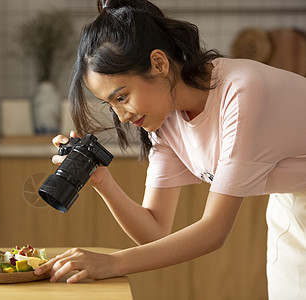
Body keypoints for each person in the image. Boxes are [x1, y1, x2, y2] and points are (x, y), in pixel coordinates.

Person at [33, 0, 306, 298]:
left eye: (122, 97)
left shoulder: (242, 93)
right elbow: (155, 231)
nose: (121, 116)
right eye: (110, 104)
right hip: (292, 205)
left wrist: (112, 263)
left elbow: (214, 232)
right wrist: (102, 181)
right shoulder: (165, 119)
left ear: (159, 64)